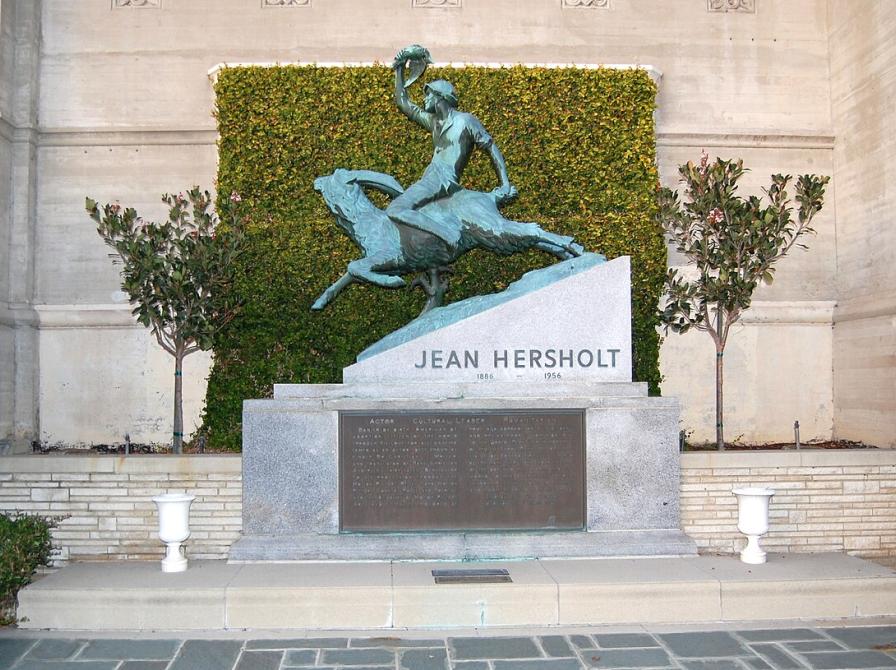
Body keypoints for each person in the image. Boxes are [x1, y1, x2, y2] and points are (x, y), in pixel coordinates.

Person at [387, 45, 518, 249]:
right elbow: (404, 102)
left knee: (396, 209)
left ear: (440, 97)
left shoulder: (466, 121)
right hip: (431, 177)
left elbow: (491, 147)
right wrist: (399, 69)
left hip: (442, 179)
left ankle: (446, 234)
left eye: (428, 95)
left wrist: (505, 184)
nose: (424, 99)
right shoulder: (434, 122)